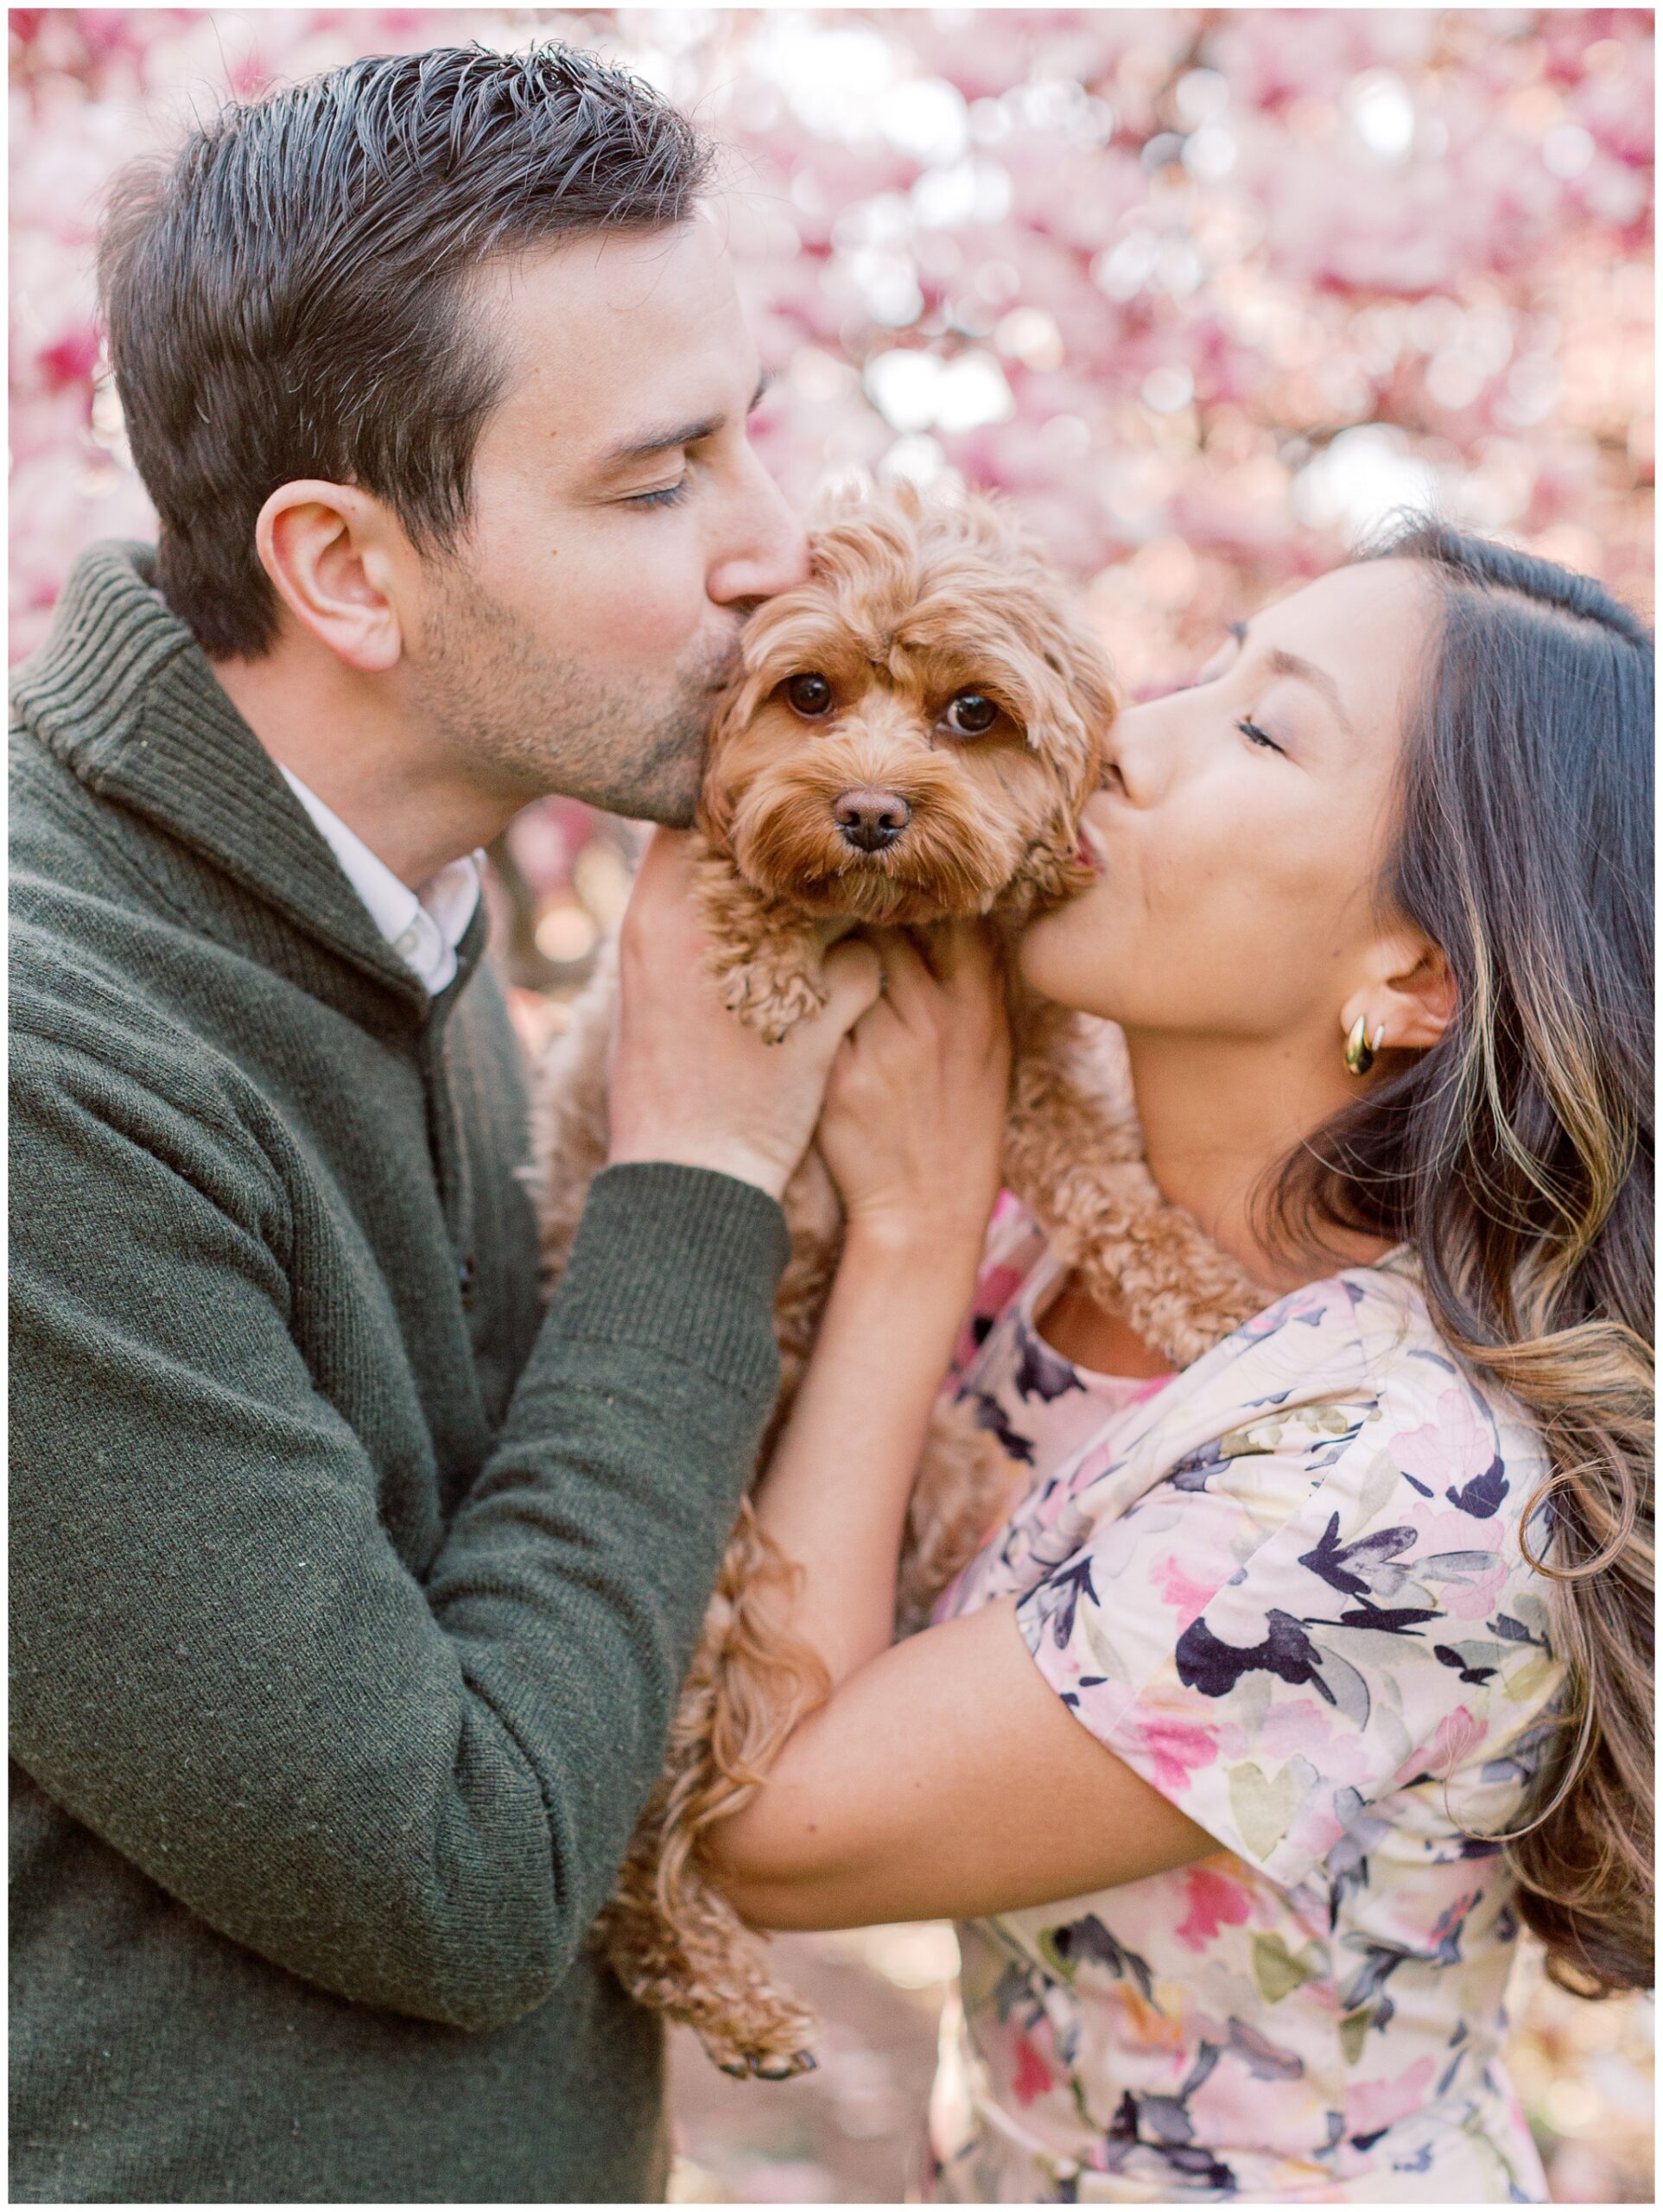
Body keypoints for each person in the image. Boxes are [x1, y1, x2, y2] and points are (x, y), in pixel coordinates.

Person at [9, 44, 883, 2204]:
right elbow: (457, 1869)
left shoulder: (398, 896)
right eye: (661, 476)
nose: (778, 548)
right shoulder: (47, 1052)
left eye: (749, 427)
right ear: (349, 570)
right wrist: (694, 1170)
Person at [700, 525, 1654, 2202]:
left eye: (1267, 728)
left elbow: (775, 1822)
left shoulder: (1402, 1481)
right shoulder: (1078, 1214)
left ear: (1416, 976)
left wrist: (916, 1234)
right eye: (1208, 661)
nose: (1132, 727)